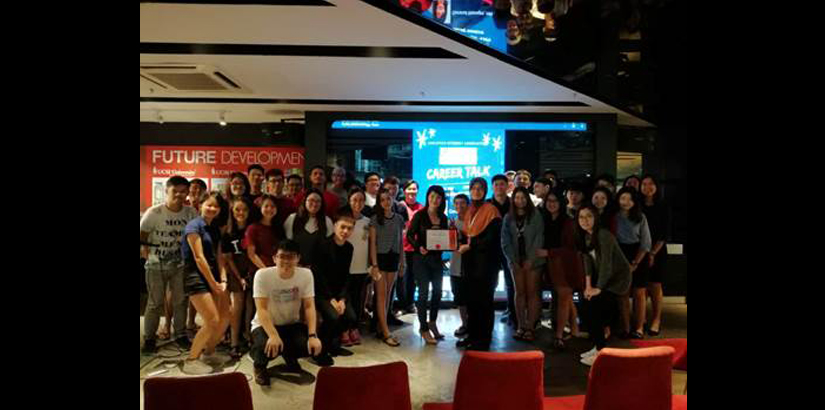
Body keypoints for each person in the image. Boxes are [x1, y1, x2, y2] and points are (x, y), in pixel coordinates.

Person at [251, 240, 331, 386]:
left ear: (298, 258)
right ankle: (259, 365)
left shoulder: (306, 274)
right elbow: (261, 309)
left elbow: (309, 306)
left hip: (290, 324)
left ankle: (289, 354)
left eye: (291, 257)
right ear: (274, 258)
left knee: (307, 346)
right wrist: (273, 335)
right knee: (266, 347)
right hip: (265, 325)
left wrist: (313, 335)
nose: (286, 261)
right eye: (282, 256)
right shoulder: (262, 275)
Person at [140, 176, 199, 354]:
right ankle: (150, 337)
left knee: (181, 301)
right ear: (166, 191)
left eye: (183, 191)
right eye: (175, 191)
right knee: (155, 302)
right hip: (156, 265)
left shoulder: (190, 213)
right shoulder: (154, 212)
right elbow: (142, 234)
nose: (179, 195)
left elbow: (195, 235)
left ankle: (180, 334)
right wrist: (146, 253)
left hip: (180, 265)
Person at [180, 191, 232, 375]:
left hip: (215, 277)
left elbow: (219, 257)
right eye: (208, 205)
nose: (212, 209)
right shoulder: (194, 226)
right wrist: (212, 283)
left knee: (226, 315)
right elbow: (199, 258)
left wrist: (223, 279)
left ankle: (208, 353)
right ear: (200, 205)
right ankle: (191, 360)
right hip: (196, 277)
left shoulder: (215, 228)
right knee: (212, 320)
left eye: (216, 206)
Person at [576, 205, 632, 366]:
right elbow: (586, 261)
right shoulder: (585, 236)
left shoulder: (603, 235)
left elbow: (607, 265)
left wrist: (597, 289)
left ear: (595, 218)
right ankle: (598, 346)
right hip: (602, 279)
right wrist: (588, 286)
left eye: (588, 216)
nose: (585, 220)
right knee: (585, 304)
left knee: (594, 307)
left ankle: (601, 350)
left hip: (617, 279)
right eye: (581, 217)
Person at [456, 177, 502, 351]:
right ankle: (472, 336)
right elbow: (468, 234)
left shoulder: (492, 210)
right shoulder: (469, 210)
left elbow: (491, 239)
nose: (476, 191)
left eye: (480, 188)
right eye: (473, 188)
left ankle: (483, 339)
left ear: (485, 190)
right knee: (472, 302)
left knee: (484, 303)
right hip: (470, 263)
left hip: (486, 265)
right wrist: (456, 240)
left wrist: (470, 245)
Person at [538, 191, 581, 350]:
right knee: (566, 298)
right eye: (549, 200)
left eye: (555, 201)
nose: (551, 203)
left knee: (564, 298)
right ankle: (574, 330)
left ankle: (559, 335)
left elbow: (571, 248)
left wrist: (549, 252)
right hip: (551, 264)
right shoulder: (545, 219)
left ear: (561, 203)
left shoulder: (568, 222)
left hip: (565, 264)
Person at [501, 187, 545, 342]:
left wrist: (531, 259)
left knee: (532, 293)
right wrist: (512, 260)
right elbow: (505, 241)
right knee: (519, 293)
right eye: (517, 197)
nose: (520, 200)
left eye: (523, 197)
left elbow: (539, 238)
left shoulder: (536, 215)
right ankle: (521, 325)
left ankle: (530, 327)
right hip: (515, 261)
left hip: (533, 261)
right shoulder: (508, 217)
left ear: (527, 199)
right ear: (513, 200)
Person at [406, 185, 449, 345]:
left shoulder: (443, 217)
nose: (435, 200)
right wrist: (419, 247)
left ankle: (433, 322)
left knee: (437, 292)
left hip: (436, 260)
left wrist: (448, 241)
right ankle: (423, 328)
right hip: (421, 259)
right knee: (423, 293)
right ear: (427, 197)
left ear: (442, 199)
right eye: (432, 196)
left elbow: (444, 239)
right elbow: (410, 235)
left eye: (438, 197)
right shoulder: (420, 215)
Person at [311, 216, 357, 357]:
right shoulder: (323, 245)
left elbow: (347, 275)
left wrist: (342, 299)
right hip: (322, 292)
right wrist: (331, 299)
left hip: (339, 294)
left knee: (351, 317)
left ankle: (334, 345)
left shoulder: (349, 248)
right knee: (333, 316)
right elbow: (319, 276)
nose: (345, 231)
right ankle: (320, 350)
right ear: (335, 225)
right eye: (342, 227)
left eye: (349, 228)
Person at [368, 188, 406, 347]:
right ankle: (385, 332)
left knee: (388, 296)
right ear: (379, 202)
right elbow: (373, 245)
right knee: (381, 296)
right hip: (380, 259)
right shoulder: (375, 219)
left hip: (394, 258)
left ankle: (380, 326)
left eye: (388, 199)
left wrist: (403, 262)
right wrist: (374, 265)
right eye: (382, 199)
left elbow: (400, 242)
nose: (386, 202)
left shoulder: (399, 219)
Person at [221, 196, 256, 358]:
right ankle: (234, 342)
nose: (241, 213)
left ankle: (248, 336)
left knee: (251, 304)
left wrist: (248, 274)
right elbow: (228, 258)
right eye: (237, 210)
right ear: (232, 212)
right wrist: (239, 277)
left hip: (252, 270)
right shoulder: (228, 233)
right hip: (235, 271)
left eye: (244, 210)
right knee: (237, 306)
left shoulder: (253, 229)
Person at [614, 187, 652, 339]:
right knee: (623, 293)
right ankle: (626, 327)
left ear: (634, 202)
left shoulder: (641, 217)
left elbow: (645, 242)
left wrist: (635, 262)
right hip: (619, 255)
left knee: (639, 293)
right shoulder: (614, 217)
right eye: (623, 198)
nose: (626, 202)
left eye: (630, 199)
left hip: (638, 255)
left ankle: (639, 328)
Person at [339, 187, 372, 346]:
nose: (357, 203)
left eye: (360, 200)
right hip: (344, 267)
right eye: (354, 200)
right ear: (349, 201)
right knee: (345, 300)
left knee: (358, 299)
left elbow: (370, 243)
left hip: (361, 267)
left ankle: (354, 328)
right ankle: (344, 329)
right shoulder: (342, 220)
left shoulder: (367, 221)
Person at [640, 175, 668, 336]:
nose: (647, 187)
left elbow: (664, 234)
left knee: (655, 286)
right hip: (640, 251)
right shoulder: (637, 205)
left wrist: (652, 253)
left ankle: (656, 320)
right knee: (641, 287)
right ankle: (641, 319)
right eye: (644, 184)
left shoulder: (663, 206)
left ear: (656, 187)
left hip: (657, 250)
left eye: (651, 184)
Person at [284, 188, 335, 268]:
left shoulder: (327, 221)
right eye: (311, 200)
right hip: (296, 267)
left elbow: (328, 248)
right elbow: (287, 245)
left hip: (319, 269)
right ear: (304, 202)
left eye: (318, 201)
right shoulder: (292, 219)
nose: (314, 204)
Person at [490, 174, 516, 328]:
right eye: (496, 184)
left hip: (510, 249)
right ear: (492, 187)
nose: (499, 187)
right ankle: (488, 313)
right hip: (491, 250)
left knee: (511, 283)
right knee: (490, 282)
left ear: (507, 186)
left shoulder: (514, 204)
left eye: (502, 184)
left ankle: (512, 312)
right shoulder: (487, 205)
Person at [397, 180, 424, 316]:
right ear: (404, 191)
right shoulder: (399, 206)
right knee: (402, 278)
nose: (412, 192)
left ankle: (410, 303)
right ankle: (401, 304)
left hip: (415, 248)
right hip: (401, 248)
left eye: (414, 189)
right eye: (409, 189)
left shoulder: (421, 207)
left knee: (413, 278)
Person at [450, 194, 470, 338]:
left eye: (463, 203)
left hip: (472, 266)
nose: (460, 206)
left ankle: (473, 324)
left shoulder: (474, 222)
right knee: (460, 297)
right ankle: (465, 324)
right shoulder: (452, 223)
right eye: (457, 204)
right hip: (456, 265)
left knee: (471, 297)